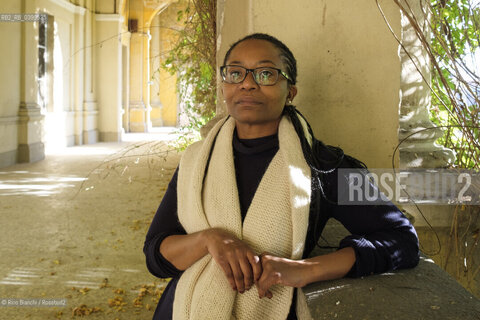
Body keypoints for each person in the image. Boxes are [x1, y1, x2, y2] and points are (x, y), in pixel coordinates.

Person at [144, 33, 419, 320]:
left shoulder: (325, 167)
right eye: (235, 73)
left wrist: (308, 269)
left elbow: (403, 241)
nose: (247, 83)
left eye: (266, 74)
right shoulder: (196, 161)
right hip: (183, 309)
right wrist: (207, 240)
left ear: (291, 92)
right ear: (224, 85)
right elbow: (156, 254)